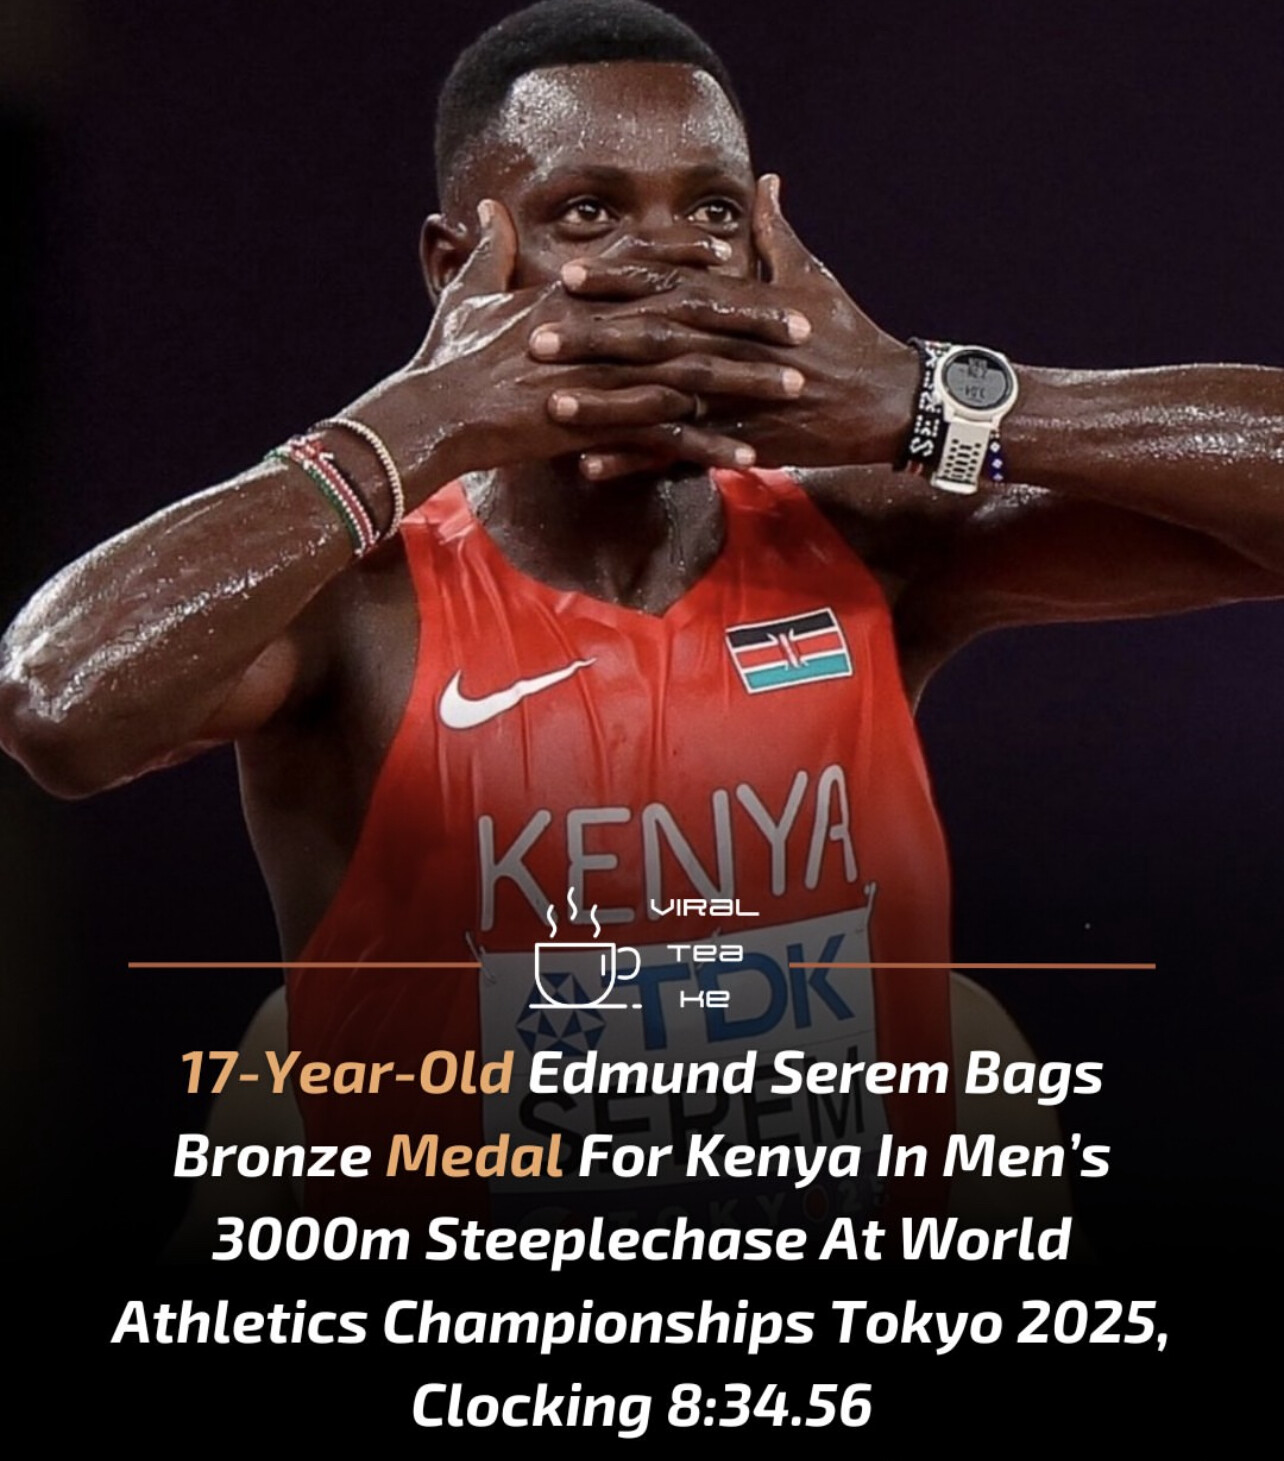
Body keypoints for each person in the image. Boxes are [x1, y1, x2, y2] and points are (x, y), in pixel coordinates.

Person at [3, 0, 1282, 1236]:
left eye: (713, 210)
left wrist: (929, 399)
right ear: (458, 269)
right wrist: (417, 421)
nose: (667, 253)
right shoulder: (360, 600)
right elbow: (56, 706)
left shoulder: (873, 540)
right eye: (589, 210)